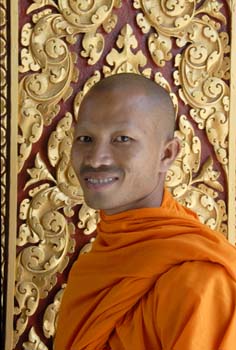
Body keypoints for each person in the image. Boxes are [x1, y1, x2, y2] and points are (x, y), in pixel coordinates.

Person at [54, 73, 236, 350]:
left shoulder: (200, 283)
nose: (96, 158)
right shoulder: (92, 268)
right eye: (86, 138)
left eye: (122, 139)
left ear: (167, 154)